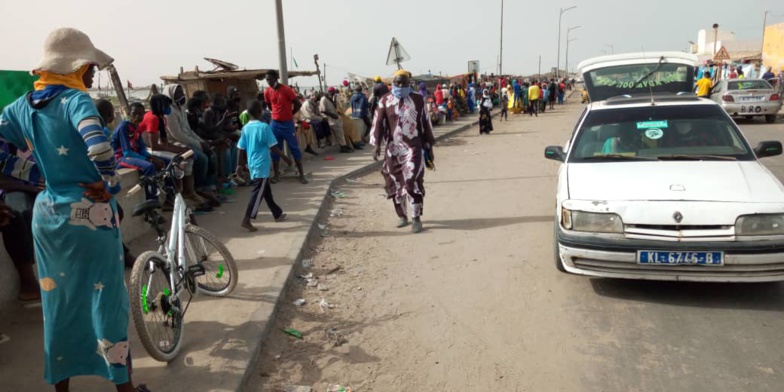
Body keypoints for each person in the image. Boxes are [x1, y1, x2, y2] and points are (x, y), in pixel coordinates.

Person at [0, 27, 149, 391]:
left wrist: (36, 174)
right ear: (77, 67)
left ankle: (62, 387)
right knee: (106, 300)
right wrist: (110, 184)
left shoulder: (19, 107)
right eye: (90, 68)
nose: (93, 75)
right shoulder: (76, 101)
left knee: (59, 303)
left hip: (48, 215)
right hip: (90, 212)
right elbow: (98, 147)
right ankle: (124, 387)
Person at [370, 70, 436, 234]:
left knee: (411, 181)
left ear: (409, 83)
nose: (400, 86)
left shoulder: (418, 99)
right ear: (393, 83)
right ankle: (402, 215)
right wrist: (377, 144)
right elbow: (378, 122)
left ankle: (416, 217)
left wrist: (429, 145)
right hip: (393, 149)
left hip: (413, 147)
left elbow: (425, 122)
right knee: (395, 182)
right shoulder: (385, 100)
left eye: (403, 83)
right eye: (397, 82)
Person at [138, 94, 210, 208]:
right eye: (167, 105)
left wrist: (182, 150)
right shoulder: (153, 118)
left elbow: (164, 143)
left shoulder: (161, 118)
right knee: (177, 161)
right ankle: (172, 197)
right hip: (145, 149)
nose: (169, 108)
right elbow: (154, 146)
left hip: (153, 147)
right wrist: (178, 151)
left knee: (187, 156)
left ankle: (188, 192)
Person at [95, 100, 139, 265]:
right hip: (94, 183)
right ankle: (120, 252)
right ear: (108, 115)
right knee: (112, 214)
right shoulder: (99, 132)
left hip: (97, 181)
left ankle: (116, 249)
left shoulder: (100, 130)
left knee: (115, 213)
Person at [237, 100, 291, 232]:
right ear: (259, 112)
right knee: (258, 193)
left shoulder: (245, 128)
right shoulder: (264, 127)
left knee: (265, 190)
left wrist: (239, 165)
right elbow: (273, 147)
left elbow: (240, 147)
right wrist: (285, 157)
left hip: (252, 163)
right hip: (261, 163)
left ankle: (276, 213)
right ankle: (247, 219)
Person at [163, 84, 221, 203]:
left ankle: (209, 187)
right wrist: (199, 145)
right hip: (175, 142)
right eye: (178, 93)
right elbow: (177, 134)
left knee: (211, 153)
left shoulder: (181, 109)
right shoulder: (169, 111)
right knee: (201, 158)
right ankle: (197, 189)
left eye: (182, 92)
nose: (182, 95)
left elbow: (189, 131)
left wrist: (202, 142)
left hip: (187, 139)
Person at [0, 141, 43, 301]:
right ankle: (28, 281)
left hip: (39, 186)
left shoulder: (33, 137)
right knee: (17, 213)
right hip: (14, 189)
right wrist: (32, 188)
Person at [111, 103, 165, 201]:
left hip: (133, 155)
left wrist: (152, 157)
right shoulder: (124, 127)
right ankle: (152, 201)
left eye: (140, 114)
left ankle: (168, 195)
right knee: (149, 167)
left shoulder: (136, 128)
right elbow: (127, 152)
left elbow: (142, 149)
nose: (137, 116)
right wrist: (149, 160)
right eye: (135, 113)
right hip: (120, 158)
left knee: (165, 161)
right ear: (129, 113)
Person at [263, 70, 308, 185]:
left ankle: (302, 175)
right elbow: (269, 104)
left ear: (276, 78)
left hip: (287, 123)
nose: (268, 82)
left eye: (270, 79)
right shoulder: (267, 91)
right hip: (275, 123)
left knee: (294, 148)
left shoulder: (286, 90)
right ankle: (276, 175)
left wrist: (290, 114)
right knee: (275, 149)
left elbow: (298, 104)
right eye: (267, 80)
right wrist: (276, 113)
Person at [320, 86, 352, 153]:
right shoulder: (324, 99)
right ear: (329, 92)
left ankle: (343, 145)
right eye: (332, 93)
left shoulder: (330, 98)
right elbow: (322, 110)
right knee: (338, 132)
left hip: (335, 118)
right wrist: (332, 115)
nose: (333, 94)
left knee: (340, 132)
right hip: (330, 118)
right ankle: (342, 147)